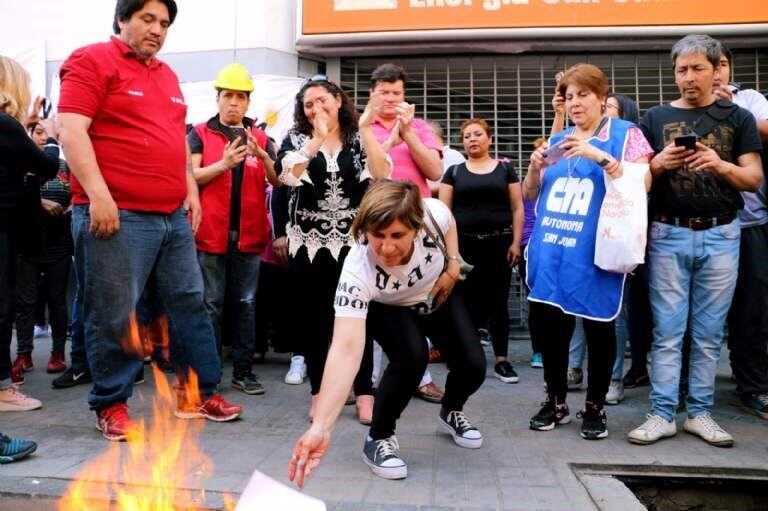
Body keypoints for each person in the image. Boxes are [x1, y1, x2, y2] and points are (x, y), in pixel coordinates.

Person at [57, 0, 242, 442]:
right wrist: (99, 196)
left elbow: (176, 141)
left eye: (164, 23)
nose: (157, 30)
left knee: (190, 303)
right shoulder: (91, 59)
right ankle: (112, 403)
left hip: (171, 217)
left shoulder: (167, 76)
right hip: (117, 214)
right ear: (122, 18)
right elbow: (70, 129)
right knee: (115, 313)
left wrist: (190, 192)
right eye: (147, 19)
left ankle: (195, 391)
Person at [288, 180, 486, 485]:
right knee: (412, 358)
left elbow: (449, 220)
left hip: (436, 294)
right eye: (377, 235)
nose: (387, 247)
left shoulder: (432, 214)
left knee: (473, 365)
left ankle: (452, 411)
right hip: (389, 307)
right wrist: (321, 428)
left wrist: (452, 264)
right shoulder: (357, 268)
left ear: (416, 228)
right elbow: (345, 350)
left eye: (397, 235)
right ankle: (378, 438)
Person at [628, 35, 762, 447]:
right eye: (682, 70)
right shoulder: (654, 117)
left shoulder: (737, 117)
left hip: (723, 233)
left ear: (717, 68)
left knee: (708, 334)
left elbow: (753, 178)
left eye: (698, 68)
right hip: (668, 234)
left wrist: (719, 164)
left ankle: (699, 413)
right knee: (667, 332)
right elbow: (635, 182)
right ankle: (663, 412)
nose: (689, 77)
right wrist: (658, 162)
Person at [524, 63, 653, 440]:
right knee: (552, 330)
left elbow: (644, 181)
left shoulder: (626, 133)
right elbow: (533, 193)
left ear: (601, 96)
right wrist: (534, 170)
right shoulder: (559, 138)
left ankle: (594, 407)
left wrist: (599, 156)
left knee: (599, 330)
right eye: (569, 96)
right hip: (553, 248)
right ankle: (555, 401)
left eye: (583, 94)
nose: (575, 103)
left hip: (596, 250)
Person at [275, 75, 390, 424]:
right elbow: (288, 176)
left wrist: (368, 130)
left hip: (353, 243)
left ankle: (365, 391)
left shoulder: (357, 138)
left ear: (338, 100)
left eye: (322, 100)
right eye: (308, 104)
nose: (316, 108)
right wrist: (318, 140)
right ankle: (320, 393)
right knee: (314, 321)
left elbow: (382, 173)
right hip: (308, 244)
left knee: (358, 317)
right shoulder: (295, 138)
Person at [188, 62, 280, 396]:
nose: (234, 103)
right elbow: (190, 176)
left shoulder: (260, 137)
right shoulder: (198, 133)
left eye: (241, 97)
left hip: (250, 236)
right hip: (210, 232)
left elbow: (278, 179)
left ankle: (243, 372)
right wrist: (224, 164)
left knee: (246, 304)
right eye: (228, 95)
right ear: (218, 98)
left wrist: (264, 155)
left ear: (248, 102)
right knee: (211, 304)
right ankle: (210, 376)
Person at [368, 63, 446, 403]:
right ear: (372, 94)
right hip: (377, 228)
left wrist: (408, 132)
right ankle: (366, 382)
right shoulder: (361, 127)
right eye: (384, 92)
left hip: (416, 228)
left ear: (404, 96)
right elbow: (368, 170)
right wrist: (387, 139)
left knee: (417, 301)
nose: (390, 98)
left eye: (396, 93)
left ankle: (420, 376)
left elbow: (435, 171)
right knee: (372, 302)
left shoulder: (421, 128)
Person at [0, 55, 59, 460]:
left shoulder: (9, 129)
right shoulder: (4, 127)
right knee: (2, 309)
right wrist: (51, 135)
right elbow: (47, 165)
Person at [439, 117, 523, 383]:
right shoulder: (453, 172)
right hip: (464, 247)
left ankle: (502, 360)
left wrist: (516, 242)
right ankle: (468, 358)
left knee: (498, 303)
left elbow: (517, 208)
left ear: (489, 139)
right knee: (464, 303)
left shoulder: (505, 170)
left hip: (499, 245)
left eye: (477, 134)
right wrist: (449, 252)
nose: (472, 139)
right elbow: (444, 213)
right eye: (467, 136)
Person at [714, 44, 768, 421]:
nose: (715, 73)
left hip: (751, 224)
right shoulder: (684, 107)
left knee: (754, 309)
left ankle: (753, 386)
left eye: (722, 65)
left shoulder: (750, 99)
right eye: (707, 66)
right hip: (711, 227)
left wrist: (734, 109)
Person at [11, 119, 73, 382]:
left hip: (59, 243)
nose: (42, 138)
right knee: (25, 301)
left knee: (57, 300)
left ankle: (58, 353)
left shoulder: (65, 165)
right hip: (28, 244)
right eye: (37, 133)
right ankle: (23, 353)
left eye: (46, 134)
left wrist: (68, 211)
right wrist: (39, 204)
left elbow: (79, 196)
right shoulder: (21, 164)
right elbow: (15, 197)